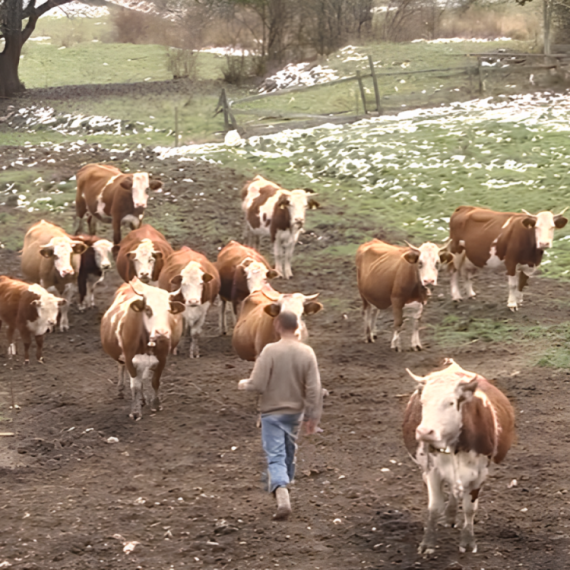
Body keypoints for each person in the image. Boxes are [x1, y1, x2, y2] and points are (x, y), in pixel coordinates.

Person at [238, 310, 323, 521]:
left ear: (277, 326)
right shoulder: (307, 352)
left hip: (271, 413)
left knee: (275, 455)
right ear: (298, 327)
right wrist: (313, 416)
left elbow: (257, 383)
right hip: (295, 413)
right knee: (289, 450)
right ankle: (286, 481)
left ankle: (282, 493)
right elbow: (314, 388)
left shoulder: (269, 351)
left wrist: (244, 384)